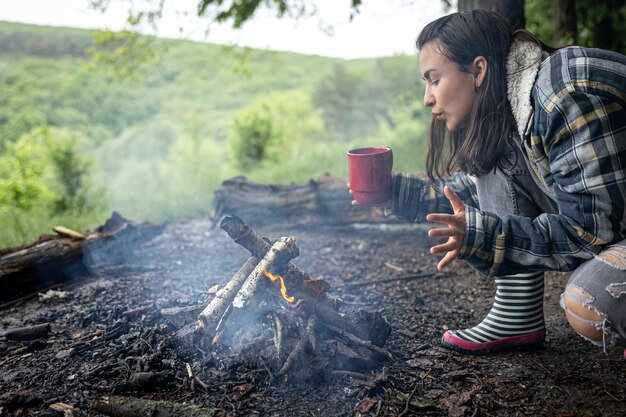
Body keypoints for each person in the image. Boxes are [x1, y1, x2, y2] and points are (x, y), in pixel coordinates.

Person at [349, 10, 626, 357]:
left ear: (478, 70)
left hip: (606, 226)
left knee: (590, 303)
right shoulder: (512, 103)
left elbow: (590, 231)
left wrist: (485, 236)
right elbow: (476, 186)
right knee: (491, 152)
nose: (427, 98)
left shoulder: (562, 95)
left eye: (434, 79)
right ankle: (517, 316)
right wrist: (394, 193)